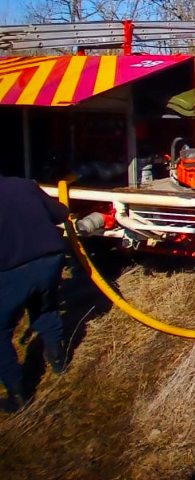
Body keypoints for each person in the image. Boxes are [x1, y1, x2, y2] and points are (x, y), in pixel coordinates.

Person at [0, 173, 70, 410]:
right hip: (50, 261)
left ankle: (18, 396)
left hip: (12, 270)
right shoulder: (24, 185)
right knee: (45, 307)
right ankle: (59, 361)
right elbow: (60, 213)